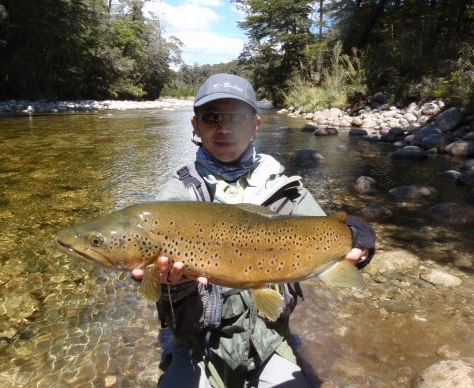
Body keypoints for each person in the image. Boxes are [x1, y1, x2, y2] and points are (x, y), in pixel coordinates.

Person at [132, 73, 375, 387]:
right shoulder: (178, 195)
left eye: (237, 117)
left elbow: (329, 230)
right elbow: (145, 261)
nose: (224, 128)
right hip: (200, 346)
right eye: (212, 117)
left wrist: (360, 236)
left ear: (256, 125)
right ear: (195, 125)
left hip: (270, 340)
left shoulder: (286, 189)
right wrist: (168, 281)